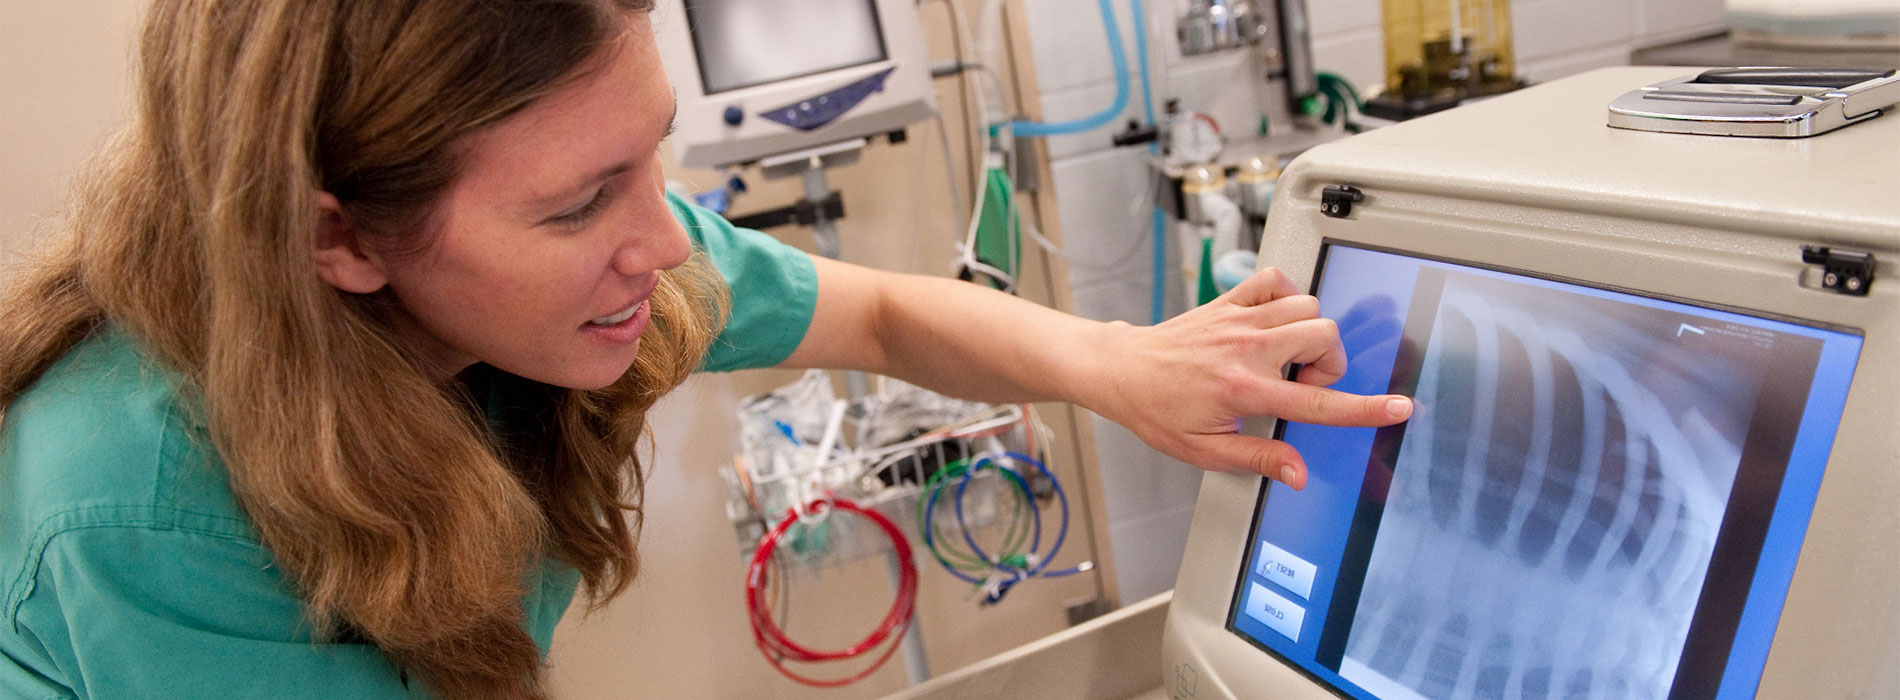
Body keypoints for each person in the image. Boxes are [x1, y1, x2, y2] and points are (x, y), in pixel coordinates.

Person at [0, 1, 1412, 698]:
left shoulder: (564, 269)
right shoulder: (150, 501)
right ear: (343, 242)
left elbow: (883, 311)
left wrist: (1121, 363)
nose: (669, 242)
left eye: (649, 158)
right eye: (579, 203)